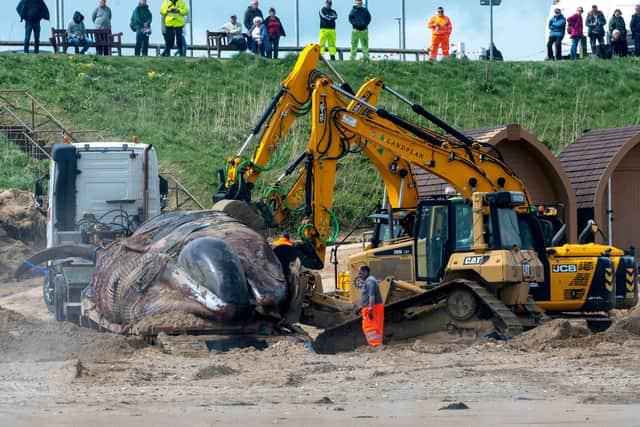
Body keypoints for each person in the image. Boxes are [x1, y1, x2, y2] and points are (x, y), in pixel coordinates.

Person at [357, 265, 383, 347]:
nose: (359, 275)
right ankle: (376, 343)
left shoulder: (370, 281)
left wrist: (370, 309)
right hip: (370, 307)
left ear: (366, 272)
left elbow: (372, 296)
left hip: (373, 307)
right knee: (372, 327)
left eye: (360, 273)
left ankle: (375, 344)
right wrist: (361, 306)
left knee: (370, 327)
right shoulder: (369, 280)